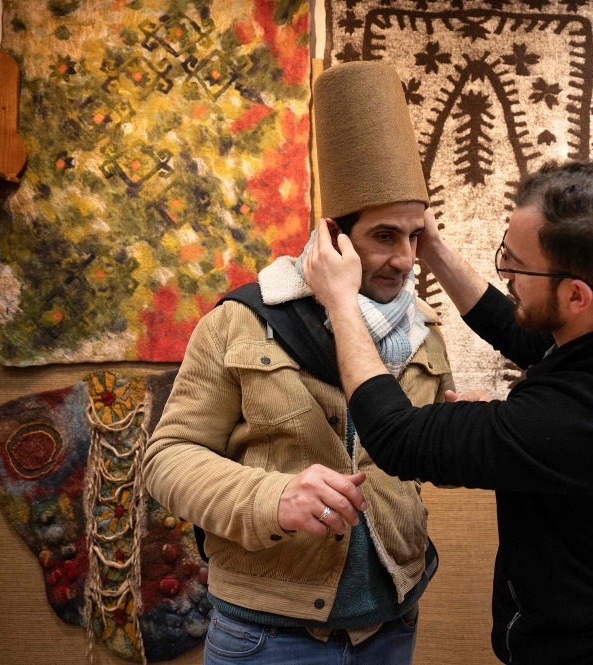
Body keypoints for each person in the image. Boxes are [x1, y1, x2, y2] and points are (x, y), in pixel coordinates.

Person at [303, 160, 593, 665]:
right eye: (505, 251)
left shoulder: (588, 418)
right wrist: (433, 247)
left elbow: (398, 438)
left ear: (577, 295)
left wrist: (340, 303)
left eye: (517, 266)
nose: (504, 273)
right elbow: (521, 330)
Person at [143, 61, 454, 665]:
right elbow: (167, 459)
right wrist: (272, 497)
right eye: (386, 236)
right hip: (269, 638)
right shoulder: (243, 320)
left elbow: (411, 457)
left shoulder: (423, 332)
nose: (406, 260)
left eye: (415, 237)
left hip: (391, 628)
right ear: (336, 235)